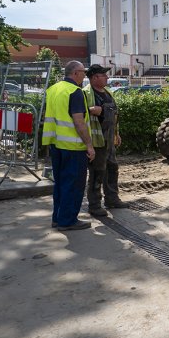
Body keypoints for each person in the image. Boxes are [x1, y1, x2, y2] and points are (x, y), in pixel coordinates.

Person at [42, 61, 95, 231]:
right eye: (83, 72)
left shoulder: (54, 89)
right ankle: (68, 220)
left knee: (61, 183)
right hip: (73, 147)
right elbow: (79, 122)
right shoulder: (75, 92)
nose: (85, 76)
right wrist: (89, 145)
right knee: (73, 185)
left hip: (56, 144)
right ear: (75, 73)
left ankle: (58, 218)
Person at [83, 65, 129, 216]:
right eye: (104, 75)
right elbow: (81, 116)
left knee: (112, 169)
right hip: (97, 141)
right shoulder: (86, 94)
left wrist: (117, 133)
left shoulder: (108, 93)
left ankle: (112, 199)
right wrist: (92, 110)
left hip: (109, 140)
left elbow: (114, 116)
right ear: (95, 77)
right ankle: (95, 205)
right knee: (97, 173)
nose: (107, 77)